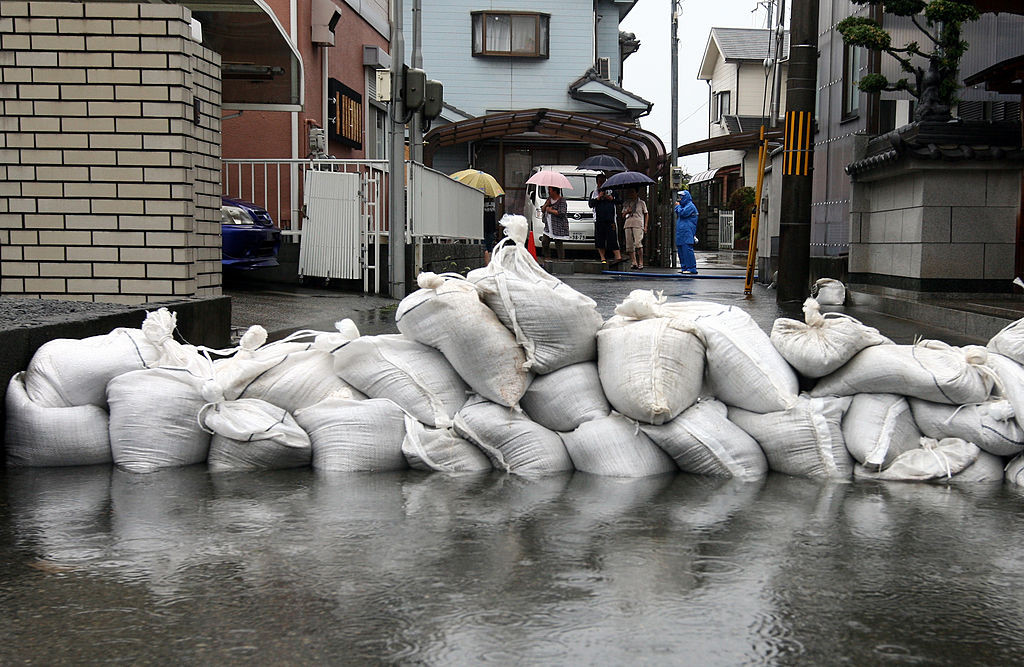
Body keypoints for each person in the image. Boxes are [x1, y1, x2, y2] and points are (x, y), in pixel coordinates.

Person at [588, 174, 623, 264]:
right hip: (599, 219)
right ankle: (602, 258)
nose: (601, 183)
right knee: (600, 239)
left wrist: (611, 198)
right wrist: (599, 197)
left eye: (603, 181)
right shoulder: (594, 193)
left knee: (612, 238)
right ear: (597, 182)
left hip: (610, 219)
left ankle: (618, 256)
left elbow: (619, 201)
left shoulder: (612, 191)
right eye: (600, 181)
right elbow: (591, 204)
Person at [621, 187, 648, 270]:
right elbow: (622, 216)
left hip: (638, 224)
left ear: (636, 193)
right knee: (629, 245)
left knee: (638, 243)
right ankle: (634, 262)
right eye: (630, 192)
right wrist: (627, 211)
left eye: (632, 192)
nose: (631, 194)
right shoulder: (626, 203)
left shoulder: (641, 203)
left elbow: (646, 214)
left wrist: (645, 226)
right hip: (628, 224)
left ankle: (641, 262)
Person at [540, 186, 569, 260]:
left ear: (555, 191)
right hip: (548, 226)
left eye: (550, 190)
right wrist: (546, 205)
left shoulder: (562, 201)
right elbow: (543, 209)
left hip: (558, 226)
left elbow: (562, 212)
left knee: (558, 243)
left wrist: (551, 211)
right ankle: (547, 258)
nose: (548, 192)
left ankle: (561, 260)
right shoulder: (549, 199)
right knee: (545, 241)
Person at [675, 190, 699, 274]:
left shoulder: (690, 206)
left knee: (687, 249)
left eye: (681, 197)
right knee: (681, 250)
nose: (679, 199)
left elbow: (683, 213)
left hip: (687, 232)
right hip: (681, 232)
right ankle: (684, 267)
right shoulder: (683, 206)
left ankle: (691, 268)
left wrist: (677, 207)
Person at [483, 198, 497, 263]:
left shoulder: (481, 201)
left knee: (486, 248)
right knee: (489, 248)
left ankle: (488, 264)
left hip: (485, 227)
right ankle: (489, 263)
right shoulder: (493, 203)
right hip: (490, 227)